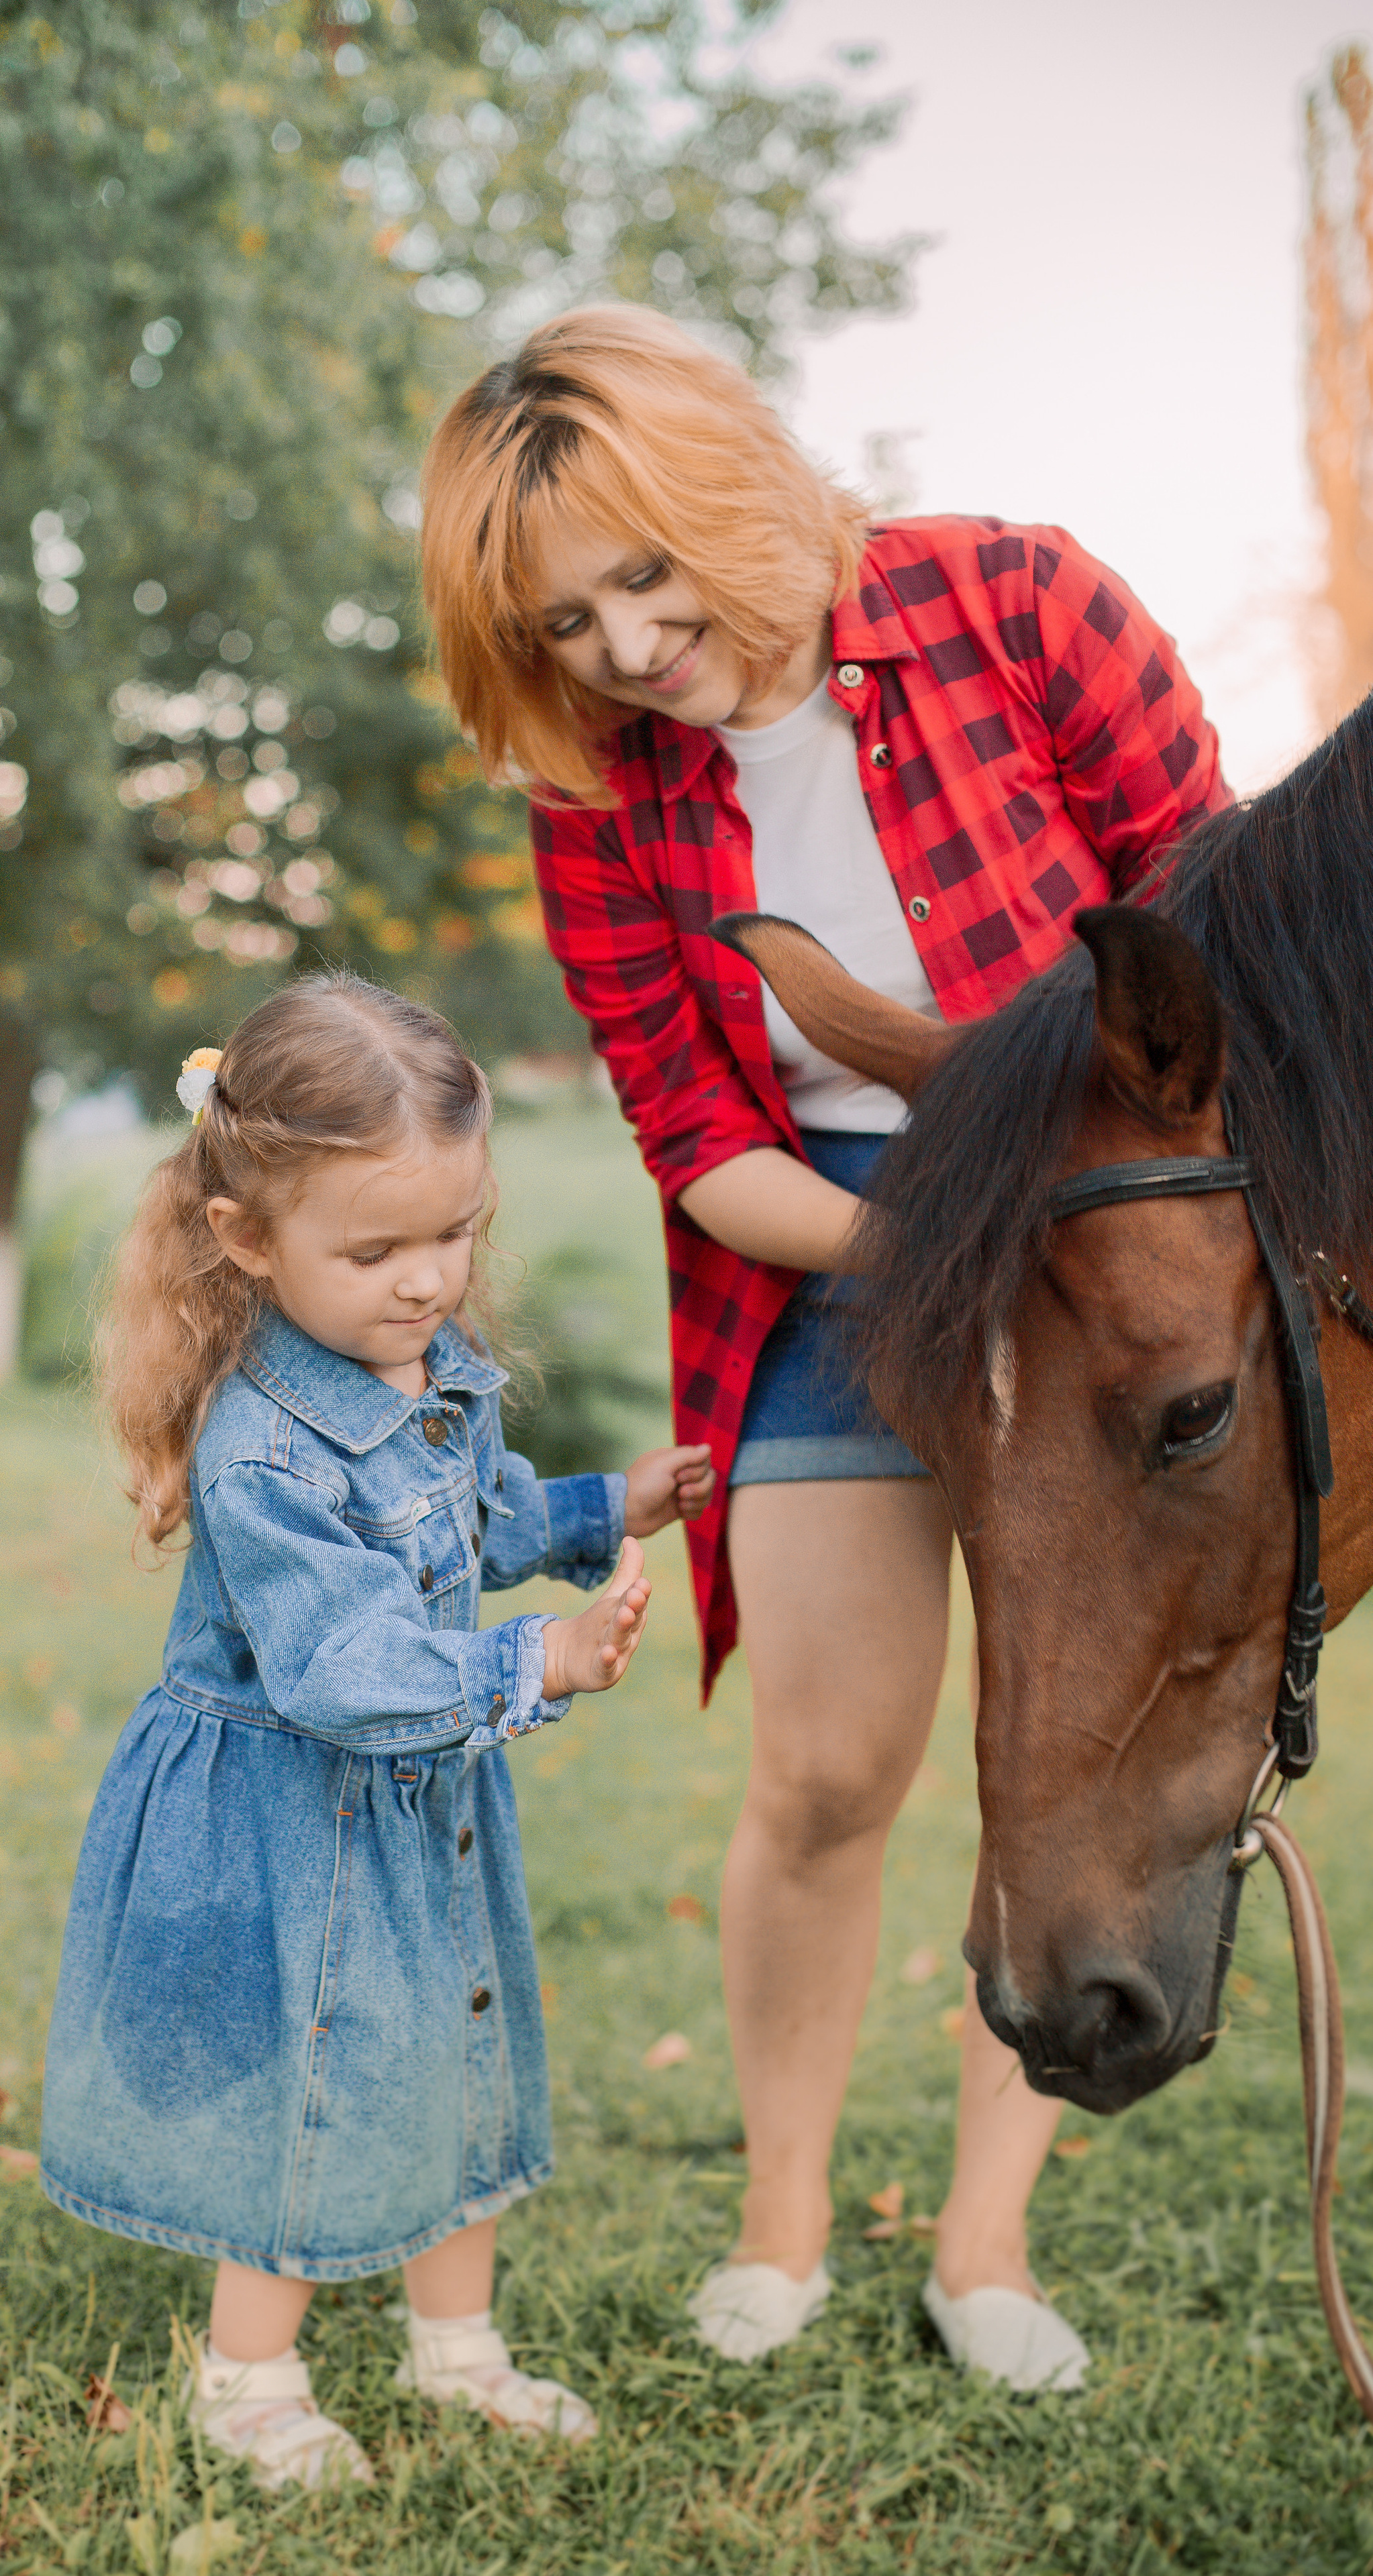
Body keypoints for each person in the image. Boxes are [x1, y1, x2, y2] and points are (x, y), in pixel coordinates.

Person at [419, 304, 1231, 2392]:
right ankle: (783, 2220)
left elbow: (1214, 948)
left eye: (641, 575)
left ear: (728, 486)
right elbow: (694, 1138)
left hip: (1107, 1257)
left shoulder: (1017, 605)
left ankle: (987, 2248)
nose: (614, 647)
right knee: (826, 1765)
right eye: (561, 617)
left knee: (1053, 1763)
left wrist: (1074, 1256)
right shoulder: (602, 793)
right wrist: (937, 1250)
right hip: (842, 1268)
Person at [39, 972, 715, 2490]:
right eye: (376, 1249)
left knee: (449, 2053)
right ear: (245, 1239)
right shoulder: (262, 1443)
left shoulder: (427, 1373)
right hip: (280, 1812)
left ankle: (456, 2347)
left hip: (410, 1807)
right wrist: (535, 1660)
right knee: (310, 2072)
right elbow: (345, 1665)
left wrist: (601, 1508)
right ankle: (249, 2379)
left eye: (455, 1234)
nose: (427, 1281)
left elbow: (465, 1529)